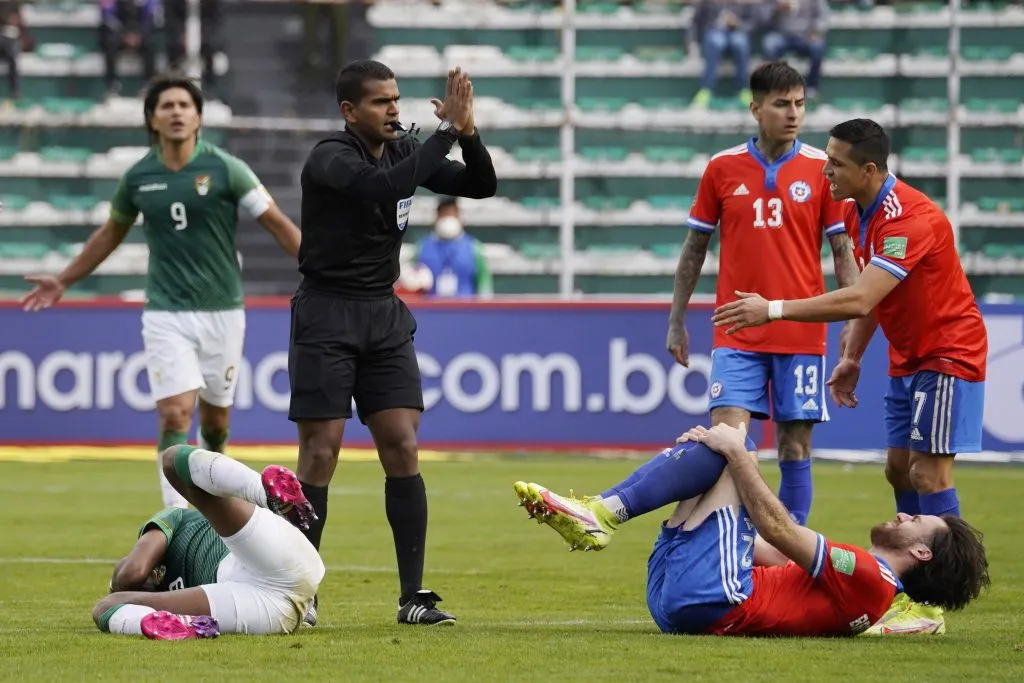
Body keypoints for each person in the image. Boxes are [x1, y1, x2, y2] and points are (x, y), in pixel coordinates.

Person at [711, 118, 988, 634]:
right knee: (897, 471)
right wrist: (854, 356)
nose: (825, 168)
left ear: (867, 169)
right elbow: (875, 297)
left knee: (929, 475)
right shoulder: (861, 210)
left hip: (949, 353)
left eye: (835, 162)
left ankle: (938, 597)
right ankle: (911, 590)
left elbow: (860, 296)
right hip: (910, 357)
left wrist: (771, 309)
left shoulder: (911, 219)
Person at [22, 74, 302, 511]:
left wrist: (325, 270)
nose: (175, 112)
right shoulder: (138, 177)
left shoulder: (227, 169)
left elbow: (279, 225)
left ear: (198, 117)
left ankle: (214, 500)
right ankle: (176, 522)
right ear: (152, 119)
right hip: (166, 312)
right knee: (174, 415)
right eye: (166, 106)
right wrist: (64, 279)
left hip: (223, 312)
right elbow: (109, 235)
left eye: (184, 105)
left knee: (216, 422)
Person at [291, 60, 497, 625]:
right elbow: (385, 187)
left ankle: (413, 597)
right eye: (381, 102)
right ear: (348, 111)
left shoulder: (406, 150)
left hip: (383, 314)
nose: (394, 110)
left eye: (397, 99)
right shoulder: (330, 157)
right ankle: (297, 588)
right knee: (320, 454)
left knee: (402, 445)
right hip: (327, 313)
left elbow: (482, 184)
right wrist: (447, 132)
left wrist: (469, 133)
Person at [512, 422, 990, 638]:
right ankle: (598, 514)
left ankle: (601, 515)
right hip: (683, 598)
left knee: (730, 445)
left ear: (923, 555)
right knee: (714, 452)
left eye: (917, 520)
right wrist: (702, 476)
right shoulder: (868, 587)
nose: (906, 513)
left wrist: (737, 455)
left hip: (714, 597)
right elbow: (772, 552)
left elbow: (780, 530)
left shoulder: (872, 577)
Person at [668, 61, 859, 529]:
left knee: (795, 447)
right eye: (781, 104)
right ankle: (731, 545)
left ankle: (789, 550)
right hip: (736, 330)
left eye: (799, 104)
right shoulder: (722, 167)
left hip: (801, 332)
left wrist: (853, 324)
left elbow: (842, 251)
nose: (792, 113)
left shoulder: (821, 170)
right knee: (728, 442)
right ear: (756, 108)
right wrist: (676, 320)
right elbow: (695, 246)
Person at [93, 445, 323, 639]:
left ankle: (270, 497)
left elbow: (132, 572)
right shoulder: (171, 596)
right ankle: (186, 626)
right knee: (104, 608)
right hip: (270, 604)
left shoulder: (173, 519)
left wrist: (120, 587)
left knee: (172, 460)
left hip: (267, 567)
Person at [415, 196, 493, 297]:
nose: (448, 218)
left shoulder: (474, 247)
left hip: (466, 310)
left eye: (451, 213)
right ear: (437, 217)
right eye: (444, 214)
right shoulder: (422, 247)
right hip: (430, 310)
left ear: (459, 216)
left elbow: (484, 284)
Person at [760, 0, 829, 100]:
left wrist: (815, 29)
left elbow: (823, 17)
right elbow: (763, 18)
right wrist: (777, 10)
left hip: (805, 35)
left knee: (818, 46)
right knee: (769, 44)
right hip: (781, 34)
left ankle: (811, 88)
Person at [99, 1, 157, 97]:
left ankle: (147, 84)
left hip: (139, 34)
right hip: (119, 34)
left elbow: (150, 17)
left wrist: (138, 34)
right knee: (110, 45)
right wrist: (124, 34)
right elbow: (108, 16)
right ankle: (112, 84)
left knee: (150, 46)